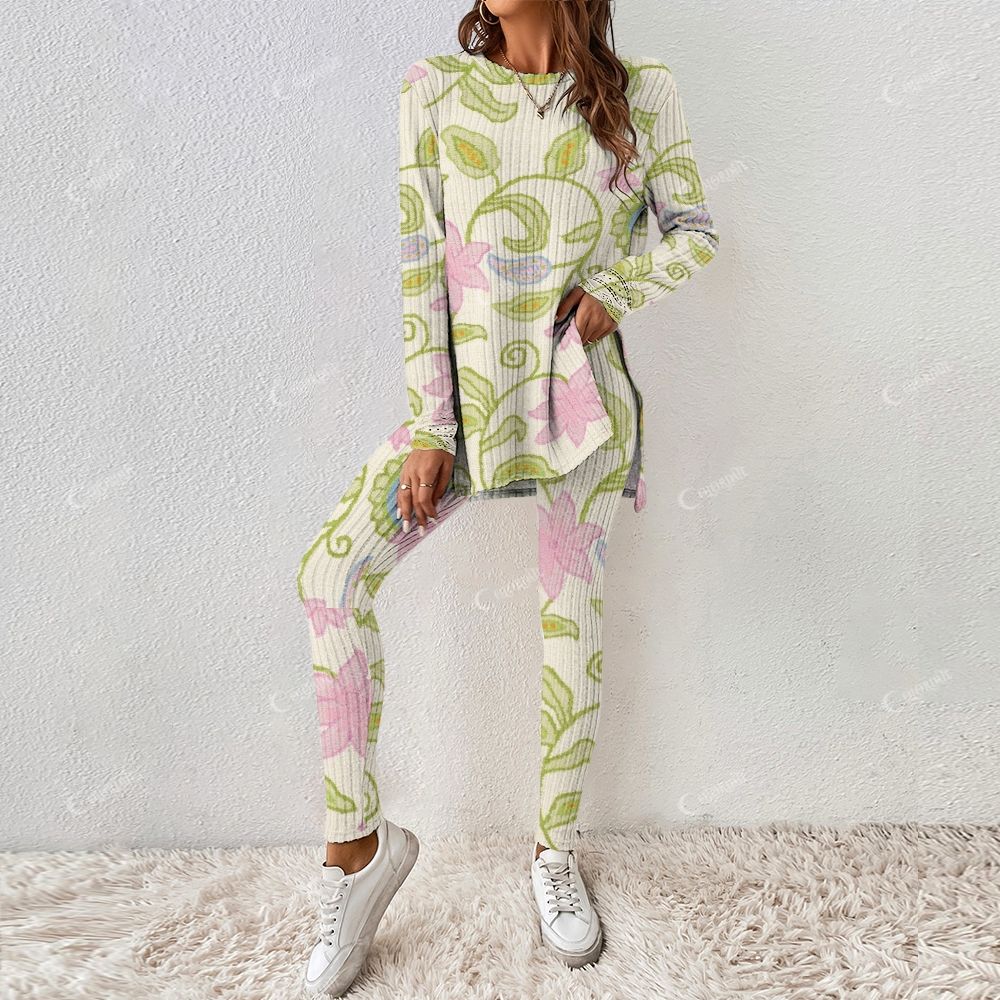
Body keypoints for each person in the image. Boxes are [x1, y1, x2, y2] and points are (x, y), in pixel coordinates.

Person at [298, 1, 719, 994]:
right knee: (329, 578)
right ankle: (356, 850)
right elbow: (420, 267)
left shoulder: (641, 93)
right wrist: (431, 426)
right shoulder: (434, 91)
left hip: (581, 404)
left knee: (571, 623)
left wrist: (615, 292)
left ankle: (554, 852)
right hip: (467, 411)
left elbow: (694, 233)